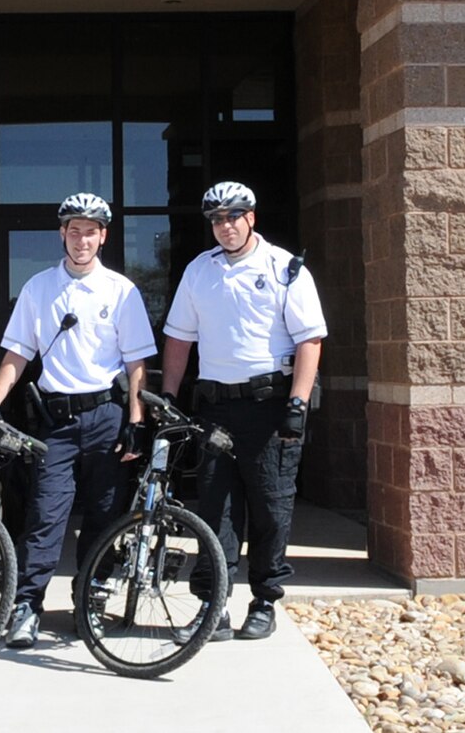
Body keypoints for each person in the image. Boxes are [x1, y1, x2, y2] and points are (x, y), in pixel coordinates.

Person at [0, 192, 154, 650]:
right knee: (45, 515)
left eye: (90, 231)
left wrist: (137, 420)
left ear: (104, 236)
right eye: (74, 230)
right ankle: (27, 606)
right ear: (62, 234)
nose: (82, 240)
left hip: (107, 416)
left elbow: (137, 364)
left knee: (104, 514)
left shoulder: (122, 290)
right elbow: (17, 353)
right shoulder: (39, 287)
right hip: (55, 421)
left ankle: (89, 599)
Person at [160, 181, 325, 641]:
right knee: (216, 509)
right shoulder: (199, 271)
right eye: (216, 219)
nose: (225, 226)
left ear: (251, 217)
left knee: (270, 507)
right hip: (215, 409)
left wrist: (297, 402)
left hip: (268, 406)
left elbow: (309, 340)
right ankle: (213, 607)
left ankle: (265, 600)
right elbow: (179, 339)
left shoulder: (284, 268)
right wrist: (171, 398)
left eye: (233, 216)